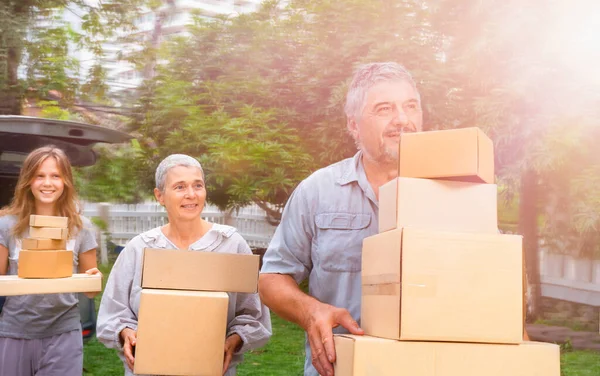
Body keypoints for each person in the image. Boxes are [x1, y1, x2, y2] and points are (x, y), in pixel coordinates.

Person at [258, 62, 423, 376]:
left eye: (410, 106)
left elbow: (496, 281)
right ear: (353, 125)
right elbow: (271, 279)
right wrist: (312, 312)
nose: (402, 119)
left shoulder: (455, 193)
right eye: (384, 108)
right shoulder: (317, 191)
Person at [96, 154, 272, 376]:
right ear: (159, 195)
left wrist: (234, 340)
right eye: (179, 187)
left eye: (197, 185)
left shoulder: (231, 244)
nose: (191, 194)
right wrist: (126, 332)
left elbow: (252, 312)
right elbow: (114, 311)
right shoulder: (139, 249)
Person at [0, 145, 102, 376]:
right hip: (15, 331)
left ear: (66, 180)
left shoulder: (81, 228)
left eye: (56, 175)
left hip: (63, 333)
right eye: (40, 176)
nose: (48, 183)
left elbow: (91, 291)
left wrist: (94, 279)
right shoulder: (6, 226)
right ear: (28, 180)